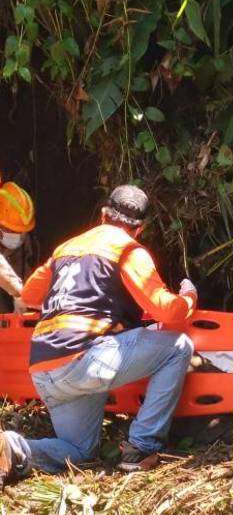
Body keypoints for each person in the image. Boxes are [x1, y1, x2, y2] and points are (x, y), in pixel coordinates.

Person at [0, 185, 198, 486]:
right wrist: (189, 298)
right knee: (178, 347)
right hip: (84, 360)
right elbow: (166, 312)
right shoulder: (128, 249)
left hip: (44, 368)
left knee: (79, 451)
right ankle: (142, 447)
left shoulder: (65, 249)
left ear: (104, 216)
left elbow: (29, 295)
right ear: (139, 228)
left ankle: (14, 448)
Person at [0, 179, 36, 313]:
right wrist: (20, 293)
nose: (17, 236)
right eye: (10, 230)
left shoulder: (25, 242)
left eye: (21, 232)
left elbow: (26, 270)